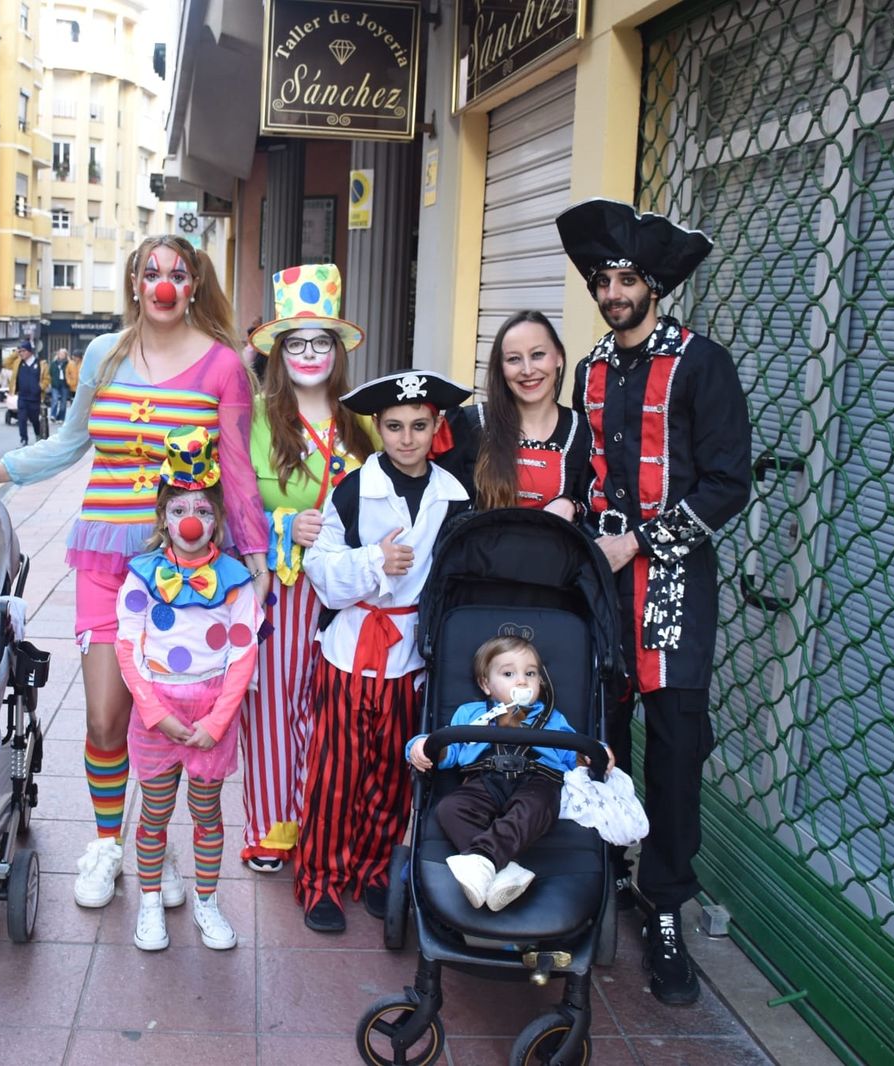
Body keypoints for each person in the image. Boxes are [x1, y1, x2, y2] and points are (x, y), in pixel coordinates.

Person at [0, 234, 270, 911]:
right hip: (107, 560)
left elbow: (236, 469)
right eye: (151, 273)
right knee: (107, 719)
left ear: (195, 284)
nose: (164, 285)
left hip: (184, 570)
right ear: (134, 283)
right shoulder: (101, 355)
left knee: (172, 717)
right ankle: (108, 845)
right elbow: (67, 442)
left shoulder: (224, 366)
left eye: (178, 273)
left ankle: (158, 842)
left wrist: (255, 561)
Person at [556, 197, 752, 1005]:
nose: (613, 291)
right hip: (599, 579)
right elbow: (584, 469)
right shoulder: (589, 368)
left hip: (669, 582)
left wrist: (641, 541)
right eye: (603, 278)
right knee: (603, 736)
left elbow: (727, 482)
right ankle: (601, 874)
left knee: (674, 749)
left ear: (654, 286)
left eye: (627, 278)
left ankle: (666, 903)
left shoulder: (703, 363)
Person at [295, 370, 472, 932]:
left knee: (391, 774)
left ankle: (373, 870)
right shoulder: (350, 490)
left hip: (408, 658)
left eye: (419, 426)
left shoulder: (454, 497)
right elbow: (320, 571)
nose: (406, 438)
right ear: (377, 427)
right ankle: (320, 878)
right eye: (394, 426)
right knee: (334, 771)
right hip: (349, 649)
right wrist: (373, 560)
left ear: (437, 427)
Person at [238, 264, 376, 873]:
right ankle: (273, 829)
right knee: (274, 704)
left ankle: (324, 820)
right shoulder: (256, 418)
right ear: (278, 351)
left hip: (350, 592)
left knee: (334, 708)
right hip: (284, 587)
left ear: (338, 351)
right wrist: (283, 527)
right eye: (296, 342)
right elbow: (231, 509)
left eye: (322, 341)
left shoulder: (364, 420)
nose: (310, 353)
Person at [115, 426, 262, 952]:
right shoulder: (141, 576)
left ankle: (206, 902)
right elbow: (127, 649)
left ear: (217, 517)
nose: (190, 521)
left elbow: (244, 653)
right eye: (178, 511)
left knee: (207, 814)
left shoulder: (235, 579)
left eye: (199, 509)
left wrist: (217, 721)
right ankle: (151, 902)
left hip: (210, 711)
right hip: (159, 711)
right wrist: (157, 713)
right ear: (163, 518)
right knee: (153, 813)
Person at [407, 634, 610, 910]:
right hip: (484, 780)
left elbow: (574, 757)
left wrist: (594, 752)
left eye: (530, 673)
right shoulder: (471, 714)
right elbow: (446, 752)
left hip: (538, 781)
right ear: (485, 684)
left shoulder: (552, 718)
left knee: (535, 807)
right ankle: (505, 871)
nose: (522, 681)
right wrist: (422, 746)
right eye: (508, 673)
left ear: (541, 681)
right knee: (450, 809)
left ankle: (485, 860)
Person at [440, 311, 590, 518]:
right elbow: (439, 507)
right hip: (480, 550)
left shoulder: (582, 432)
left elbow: (593, 506)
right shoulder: (467, 425)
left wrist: (572, 504)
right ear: (500, 367)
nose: (527, 370)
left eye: (538, 355)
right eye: (513, 359)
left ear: (559, 357)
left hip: (554, 550)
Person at [10, 339, 48, 445]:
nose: (21, 353)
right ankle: (24, 439)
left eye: (23, 351)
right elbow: (6, 363)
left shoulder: (40, 364)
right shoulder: (18, 363)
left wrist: (40, 387)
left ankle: (37, 433)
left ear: (30, 351)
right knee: (21, 419)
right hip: (22, 396)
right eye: (20, 351)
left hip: (34, 398)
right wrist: (15, 354)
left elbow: (46, 379)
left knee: (34, 419)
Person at [48, 346, 70, 422]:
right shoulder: (53, 363)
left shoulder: (68, 364)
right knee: (55, 400)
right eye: (60, 353)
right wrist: (50, 382)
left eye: (63, 354)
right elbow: (50, 373)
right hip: (55, 384)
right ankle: (53, 415)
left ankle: (61, 417)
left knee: (63, 402)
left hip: (64, 384)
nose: (61, 355)